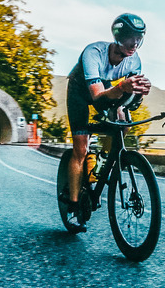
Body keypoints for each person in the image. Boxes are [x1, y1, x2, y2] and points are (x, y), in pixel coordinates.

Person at [62, 13, 152, 231]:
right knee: (81, 148)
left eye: (139, 38)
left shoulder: (134, 60)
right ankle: (73, 208)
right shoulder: (93, 52)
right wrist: (122, 88)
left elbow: (127, 101)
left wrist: (138, 95)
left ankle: (104, 161)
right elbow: (97, 97)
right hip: (80, 92)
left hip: (106, 90)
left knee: (124, 124)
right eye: (131, 37)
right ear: (119, 35)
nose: (135, 43)